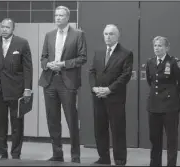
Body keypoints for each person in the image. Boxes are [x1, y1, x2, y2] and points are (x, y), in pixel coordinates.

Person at [38, 5, 87, 163]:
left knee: (71, 120)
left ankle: (75, 156)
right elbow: (43, 57)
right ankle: (57, 154)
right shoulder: (49, 35)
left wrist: (63, 64)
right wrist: (48, 64)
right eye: (56, 15)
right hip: (50, 81)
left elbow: (82, 58)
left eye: (61, 15)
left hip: (68, 82)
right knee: (52, 120)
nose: (57, 18)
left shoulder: (78, 34)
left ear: (67, 18)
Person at [0, 18, 33, 159]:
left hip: (16, 90)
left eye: (7, 27)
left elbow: (27, 68)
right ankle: (2, 152)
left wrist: (27, 89)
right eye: (2, 27)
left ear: (13, 28)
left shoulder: (22, 43)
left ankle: (16, 153)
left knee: (17, 124)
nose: (4, 29)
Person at [89, 24, 133, 165]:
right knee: (100, 129)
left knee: (117, 130)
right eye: (106, 34)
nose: (108, 37)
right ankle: (104, 157)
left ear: (118, 36)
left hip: (115, 98)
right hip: (98, 97)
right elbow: (91, 72)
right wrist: (94, 87)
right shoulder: (98, 52)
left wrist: (109, 89)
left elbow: (125, 76)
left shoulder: (125, 53)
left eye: (111, 34)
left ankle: (120, 160)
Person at [145, 36, 180, 166]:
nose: (157, 48)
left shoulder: (174, 62)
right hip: (154, 106)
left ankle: (171, 164)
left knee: (171, 139)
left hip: (170, 107)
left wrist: (172, 94)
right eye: (155, 46)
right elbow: (150, 81)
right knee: (155, 138)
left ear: (167, 48)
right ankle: (155, 163)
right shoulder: (150, 62)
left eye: (160, 46)